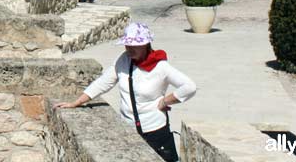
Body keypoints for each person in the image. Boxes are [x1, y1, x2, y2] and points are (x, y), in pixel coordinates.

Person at [54, 22, 196, 162]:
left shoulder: (161, 67)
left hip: (155, 131)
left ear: (146, 45)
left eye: (134, 46)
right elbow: (103, 83)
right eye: (128, 45)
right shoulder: (124, 60)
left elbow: (189, 87)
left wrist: (166, 101)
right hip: (128, 129)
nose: (129, 49)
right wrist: (76, 102)